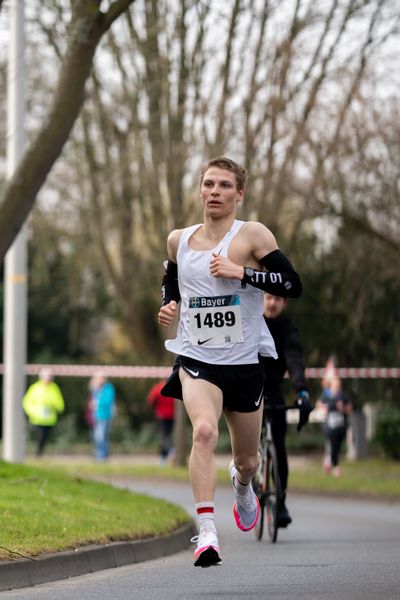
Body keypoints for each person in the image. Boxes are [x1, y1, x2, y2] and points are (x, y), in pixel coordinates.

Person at [157, 156, 303, 567]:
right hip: (197, 358)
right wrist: (168, 304)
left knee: (248, 459)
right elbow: (172, 276)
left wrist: (243, 273)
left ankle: (242, 485)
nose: (214, 192)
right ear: (200, 190)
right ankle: (206, 534)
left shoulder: (252, 236)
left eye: (223, 185)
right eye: (208, 184)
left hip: (244, 363)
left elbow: (293, 284)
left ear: (239, 194)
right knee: (203, 432)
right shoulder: (179, 239)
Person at [261, 293, 313, 528]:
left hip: (273, 389)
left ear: (285, 303)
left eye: (278, 299)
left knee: (279, 447)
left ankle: (280, 502)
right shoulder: (251, 320)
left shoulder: (287, 328)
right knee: (246, 444)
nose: (272, 303)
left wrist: (301, 392)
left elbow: (294, 359)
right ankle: (247, 486)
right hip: (249, 386)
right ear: (261, 298)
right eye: (269, 297)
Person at [22, 368, 65, 456]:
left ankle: (40, 452)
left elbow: (60, 404)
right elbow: (27, 402)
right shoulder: (35, 388)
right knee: (38, 436)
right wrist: (32, 412)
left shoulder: (54, 388)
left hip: (49, 419)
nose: (48, 379)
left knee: (44, 437)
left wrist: (54, 405)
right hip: (37, 418)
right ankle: (36, 452)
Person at [316, 375, 353, 477]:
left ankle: (328, 461)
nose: (337, 387)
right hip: (330, 427)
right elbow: (318, 404)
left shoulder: (343, 396)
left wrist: (344, 408)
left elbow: (350, 409)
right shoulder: (326, 396)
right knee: (332, 445)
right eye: (335, 385)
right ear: (331, 385)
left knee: (337, 447)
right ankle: (335, 467)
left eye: (339, 385)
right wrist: (323, 407)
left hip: (341, 427)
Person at [147, 380, 175, 465]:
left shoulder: (158, 388)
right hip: (172, 415)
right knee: (167, 435)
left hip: (162, 415)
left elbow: (150, 399)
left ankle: (170, 451)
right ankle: (163, 457)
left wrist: (155, 407)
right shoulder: (174, 388)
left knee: (165, 436)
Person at [90, 371, 116, 461]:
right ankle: (100, 453)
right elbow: (93, 402)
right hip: (96, 415)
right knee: (97, 436)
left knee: (102, 436)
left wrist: (98, 402)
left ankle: (102, 454)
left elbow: (108, 400)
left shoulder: (108, 388)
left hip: (105, 415)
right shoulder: (95, 388)